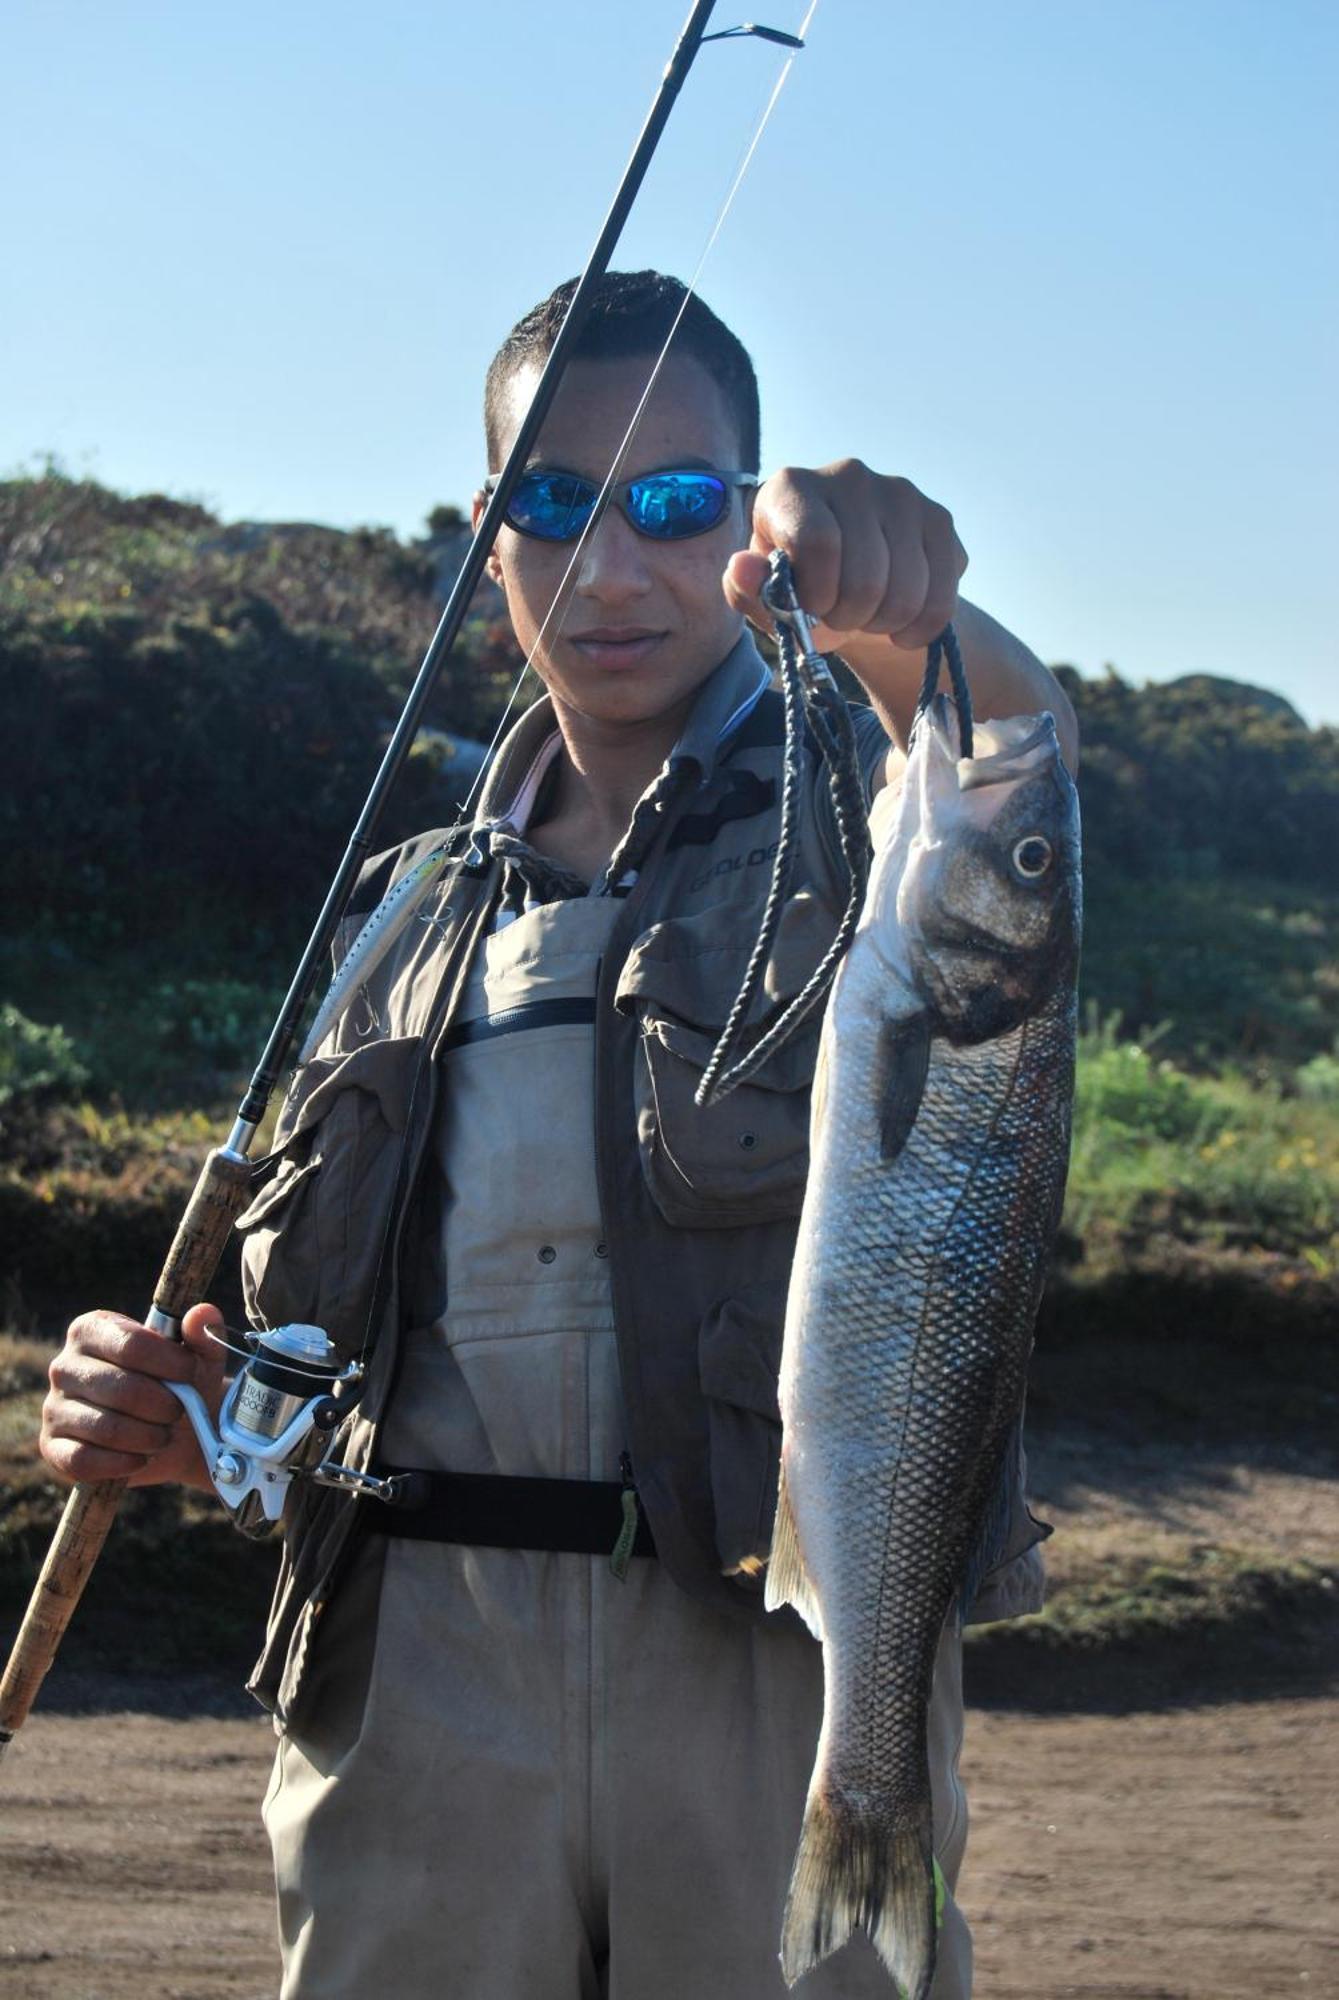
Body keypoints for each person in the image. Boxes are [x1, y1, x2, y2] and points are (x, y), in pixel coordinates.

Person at [40, 271, 1078, 1999]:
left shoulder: (874, 823)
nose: (611, 565)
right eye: (553, 502)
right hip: (414, 1698)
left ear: (750, 524)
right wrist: (206, 1422)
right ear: (486, 533)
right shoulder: (395, 918)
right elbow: (357, 1352)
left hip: (769, 1684)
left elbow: (1012, 761)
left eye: (678, 502)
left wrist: (907, 600)